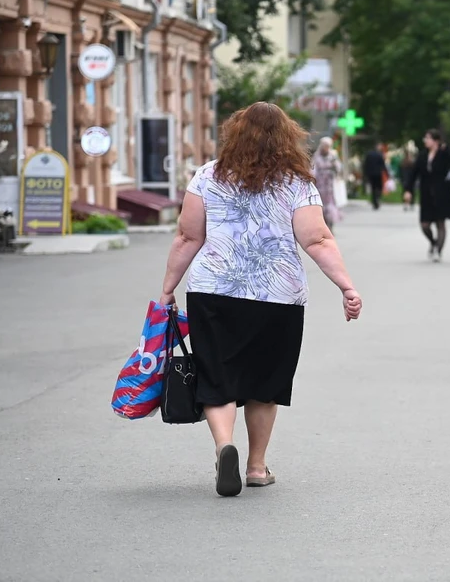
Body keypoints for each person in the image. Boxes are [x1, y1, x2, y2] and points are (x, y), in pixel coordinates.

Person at [158, 102, 362, 497]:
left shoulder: (207, 176)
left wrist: (168, 289)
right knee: (265, 381)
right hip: (277, 297)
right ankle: (255, 466)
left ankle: (224, 447)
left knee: (216, 376)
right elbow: (317, 239)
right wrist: (346, 286)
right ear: (287, 137)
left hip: (213, 292)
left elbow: (187, 237)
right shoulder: (297, 182)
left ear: (234, 133)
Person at [403, 129, 450, 262]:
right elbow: (414, 174)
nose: (425, 141)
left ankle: (438, 251)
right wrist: (408, 190)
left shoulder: (444, 154)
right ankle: (433, 242)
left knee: (440, 223)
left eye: (428, 138)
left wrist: (446, 147)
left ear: (436, 141)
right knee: (425, 225)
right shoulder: (422, 155)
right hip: (426, 193)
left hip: (442, 192)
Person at [312, 136, 341, 230]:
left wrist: (335, 166)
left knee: (331, 203)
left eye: (327, 146)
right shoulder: (317, 156)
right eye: (324, 146)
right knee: (321, 204)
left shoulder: (332, 156)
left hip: (330, 184)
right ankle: (323, 224)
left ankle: (331, 223)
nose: (326, 148)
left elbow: (338, 167)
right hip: (320, 184)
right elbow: (313, 169)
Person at [363, 142, 387, 210]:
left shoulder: (368, 154)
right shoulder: (379, 155)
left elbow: (365, 165)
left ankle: (374, 201)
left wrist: (365, 174)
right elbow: (383, 165)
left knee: (373, 188)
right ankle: (377, 198)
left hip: (370, 174)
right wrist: (387, 173)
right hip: (378, 174)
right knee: (379, 187)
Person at [399, 141, 417, 211]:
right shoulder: (412, 163)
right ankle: (411, 203)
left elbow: (400, 172)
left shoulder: (403, 163)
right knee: (411, 192)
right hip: (410, 179)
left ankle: (406, 203)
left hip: (405, 179)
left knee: (405, 191)